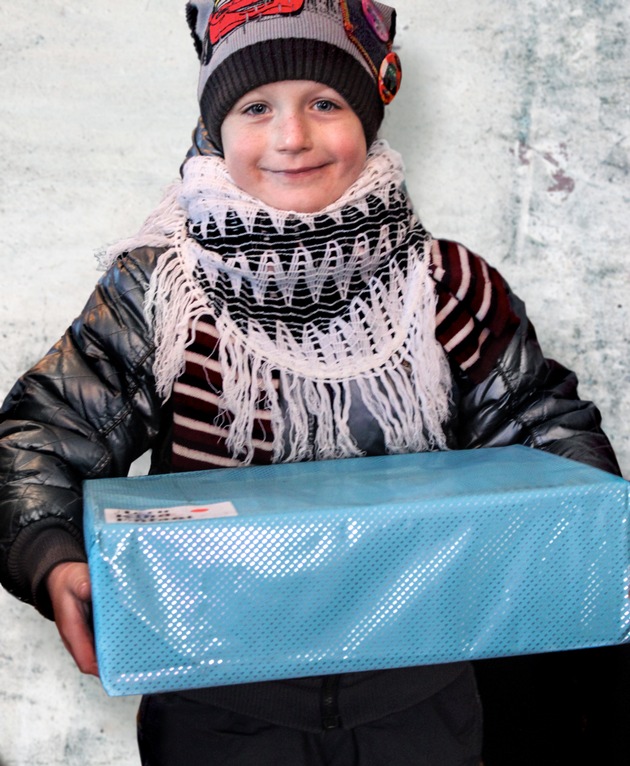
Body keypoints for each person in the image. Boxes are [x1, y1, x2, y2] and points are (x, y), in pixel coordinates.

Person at [0, 1, 624, 764]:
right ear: (216, 128)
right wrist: (51, 557)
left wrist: (582, 544)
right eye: (256, 107)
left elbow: (544, 431)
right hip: (219, 706)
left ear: (368, 117)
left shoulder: (447, 288)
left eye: (325, 103)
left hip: (421, 697)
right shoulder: (162, 293)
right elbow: (42, 434)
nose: (292, 136)